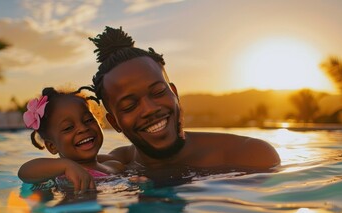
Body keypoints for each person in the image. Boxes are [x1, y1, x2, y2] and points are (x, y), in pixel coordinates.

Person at [86, 26, 280, 171]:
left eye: (158, 92)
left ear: (174, 94)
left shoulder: (249, 155)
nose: (149, 109)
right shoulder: (116, 166)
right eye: (129, 106)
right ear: (114, 122)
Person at [18, 87, 125, 192]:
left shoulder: (115, 166)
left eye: (88, 120)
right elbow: (24, 172)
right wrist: (66, 166)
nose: (83, 128)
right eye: (68, 128)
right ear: (52, 146)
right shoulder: (62, 172)